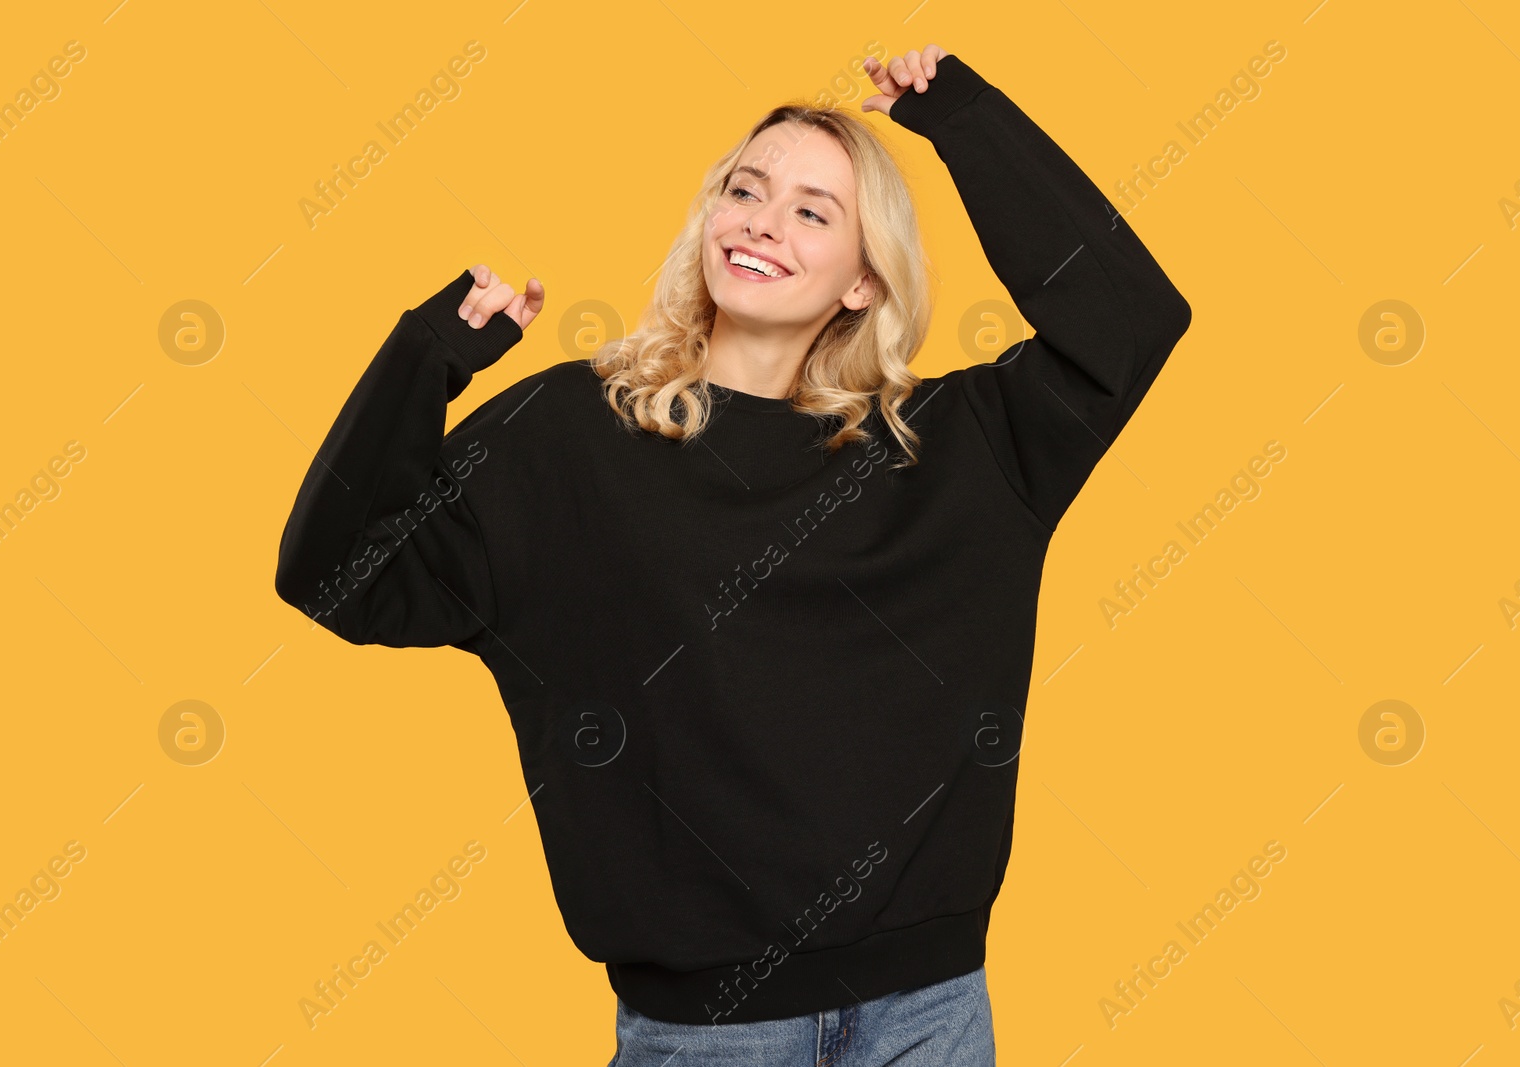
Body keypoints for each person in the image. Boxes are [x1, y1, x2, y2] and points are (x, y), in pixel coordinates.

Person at [274, 44, 1191, 1066]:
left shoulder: (953, 450)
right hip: (706, 1038)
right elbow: (333, 573)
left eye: (812, 210)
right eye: (744, 190)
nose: (762, 220)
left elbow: (1129, 321)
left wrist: (962, 118)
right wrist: (425, 360)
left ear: (862, 281)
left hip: (929, 1017)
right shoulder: (567, 437)